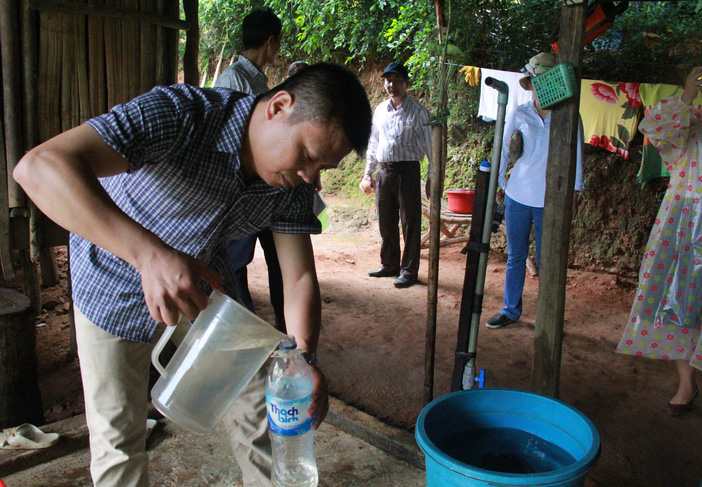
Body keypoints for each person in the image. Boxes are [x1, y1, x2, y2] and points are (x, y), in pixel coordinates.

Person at [13, 63, 372, 486]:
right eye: (309, 156)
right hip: (110, 288)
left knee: (260, 406)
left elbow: (297, 279)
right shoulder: (180, 114)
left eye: (322, 169)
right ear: (279, 106)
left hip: (201, 293)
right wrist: (150, 256)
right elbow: (38, 167)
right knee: (120, 443)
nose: (310, 177)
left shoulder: (290, 186)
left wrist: (303, 357)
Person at [616, 53, 702, 416]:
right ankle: (687, 381)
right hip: (685, 229)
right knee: (680, 303)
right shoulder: (691, 121)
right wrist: (686, 94)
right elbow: (654, 127)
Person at [486, 52, 585, 328]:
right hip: (518, 195)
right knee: (516, 255)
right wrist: (496, 185)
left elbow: (576, 157)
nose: (537, 85)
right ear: (529, 83)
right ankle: (510, 309)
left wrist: (574, 195)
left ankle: (548, 316)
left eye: (542, 80)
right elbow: (504, 150)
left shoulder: (569, 117)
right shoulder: (521, 113)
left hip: (550, 200)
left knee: (547, 260)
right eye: (533, 80)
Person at [214, 8, 287, 331]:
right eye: (278, 43)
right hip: (242, 193)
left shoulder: (256, 79)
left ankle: (285, 331)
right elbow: (232, 141)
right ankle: (243, 333)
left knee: (280, 264)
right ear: (270, 41)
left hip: (266, 190)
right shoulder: (233, 80)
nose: (278, 50)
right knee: (236, 265)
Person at [359, 62, 433, 289]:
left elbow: (433, 147)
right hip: (384, 172)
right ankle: (389, 264)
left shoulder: (420, 113)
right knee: (386, 221)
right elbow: (373, 143)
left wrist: (432, 176)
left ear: (407, 83)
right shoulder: (380, 110)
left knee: (410, 222)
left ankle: (409, 270)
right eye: (388, 80)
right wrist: (368, 173)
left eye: (398, 80)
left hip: (408, 172)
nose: (392, 85)